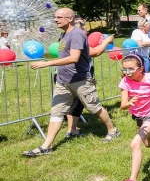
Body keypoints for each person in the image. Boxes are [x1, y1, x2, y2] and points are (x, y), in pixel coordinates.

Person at [24, 9, 119, 156]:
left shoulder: (76, 34)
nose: (56, 20)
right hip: (63, 81)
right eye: (55, 17)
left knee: (94, 107)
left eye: (59, 17)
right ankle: (47, 146)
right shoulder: (64, 34)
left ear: (70, 19)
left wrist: (47, 63)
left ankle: (112, 130)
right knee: (56, 112)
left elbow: (74, 58)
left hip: (80, 80)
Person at [65, 17, 115, 137]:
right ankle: (112, 130)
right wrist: (107, 41)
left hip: (71, 76)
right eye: (85, 29)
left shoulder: (67, 37)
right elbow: (95, 52)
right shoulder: (77, 39)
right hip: (77, 78)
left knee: (75, 103)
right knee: (92, 104)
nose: (87, 32)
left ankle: (72, 130)